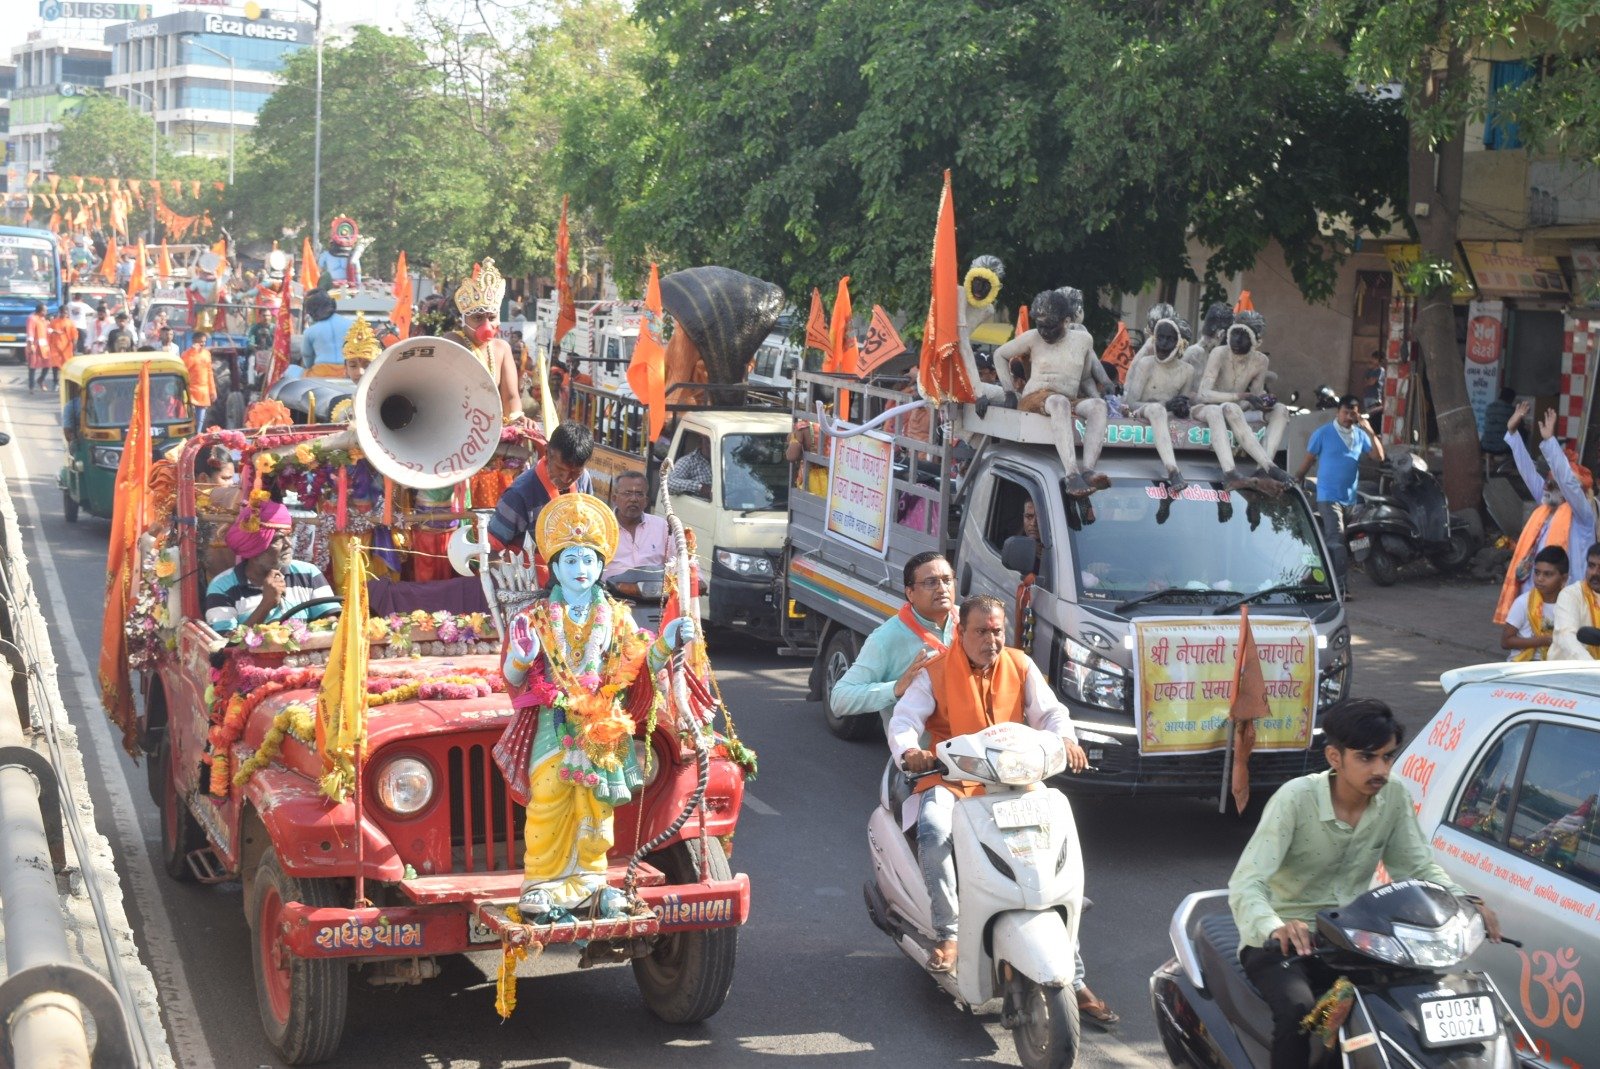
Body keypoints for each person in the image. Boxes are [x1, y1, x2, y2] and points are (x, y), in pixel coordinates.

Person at [1228, 697, 1500, 1069]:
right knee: (1301, 1014)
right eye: (1367, 758)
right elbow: (1247, 882)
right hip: (1286, 942)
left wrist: (1464, 901)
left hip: (1354, 937)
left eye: (1387, 757)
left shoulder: (1394, 796)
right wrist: (1275, 927)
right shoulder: (1295, 799)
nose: (1381, 769)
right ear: (1334, 758)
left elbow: (1417, 866)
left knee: (1408, 1001)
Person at [890, 595, 1111, 1019]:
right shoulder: (933, 672)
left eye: (997, 631)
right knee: (934, 831)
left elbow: (1053, 714)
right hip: (953, 782)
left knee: (1050, 854)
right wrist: (910, 753)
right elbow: (904, 722)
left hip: (1014, 781)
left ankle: (1075, 975)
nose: (991, 640)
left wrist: (1066, 740)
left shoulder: (1020, 664)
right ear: (961, 632)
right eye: (981, 631)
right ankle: (949, 932)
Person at [494, 493, 696, 919]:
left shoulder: (617, 617)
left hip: (602, 725)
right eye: (571, 561)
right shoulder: (534, 617)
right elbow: (512, 681)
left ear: (602, 566)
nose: (580, 570)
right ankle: (541, 886)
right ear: (555, 567)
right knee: (548, 797)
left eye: (588, 561)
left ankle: (590, 883)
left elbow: (639, 666)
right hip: (554, 722)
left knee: (596, 806)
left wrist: (668, 640)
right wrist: (521, 657)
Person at [992, 288, 1109, 496]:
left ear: (1066, 321)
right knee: (1058, 402)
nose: (1044, 332)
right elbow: (999, 355)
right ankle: (1072, 475)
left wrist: (1103, 389)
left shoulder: (1083, 340)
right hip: (1035, 398)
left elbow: (1084, 377)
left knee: (1099, 407)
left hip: (1068, 398)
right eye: (1040, 326)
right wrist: (1009, 391)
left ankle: (1089, 470)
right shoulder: (1032, 338)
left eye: (1050, 327)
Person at [833, 551, 957, 733]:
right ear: (910, 593)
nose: (942, 589)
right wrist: (896, 688)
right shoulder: (886, 638)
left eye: (947, 580)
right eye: (931, 582)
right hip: (919, 754)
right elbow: (839, 699)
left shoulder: (970, 623)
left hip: (970, 751)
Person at [1495, 403, 1596, 624]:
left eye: (1554, 481)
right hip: (1534, 587)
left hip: (1567, 595)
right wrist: (1512, 433)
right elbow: (1527, 471)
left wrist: (1550, 443)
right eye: (1549, 480)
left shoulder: (1582, 514)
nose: (1548, 485)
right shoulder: (1548, 504)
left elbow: (1567, 481)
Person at [203, 496, 338, 633]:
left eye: (289, 535)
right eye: (278, 539)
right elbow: (226, 645)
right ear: (254, 547)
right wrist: (267, 604)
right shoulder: (222, 586)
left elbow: (332, 623)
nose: (289, 544)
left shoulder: (308, 573)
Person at [1192, 312, 1294, 491]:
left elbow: (1256, 393)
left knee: (1281, 410)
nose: (1237, 340)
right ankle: (1247, 470)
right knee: (1231, 407)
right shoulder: (1219, 353)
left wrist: (1264, 401)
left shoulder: (1261, 360)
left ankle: (1262, 470)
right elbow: (1204, 394)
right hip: (1213, 407)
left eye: (1244, 336)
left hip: (1239, 408)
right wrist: (1241, 396)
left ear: (1257, 342)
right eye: (1235, 333)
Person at [1295, 394, 1383, 597]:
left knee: (1333, 542)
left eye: (1352, 413)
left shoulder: (1360, 435)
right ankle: (1341, 589)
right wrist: (1296, 478)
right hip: (1328, 496)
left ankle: (1314, 577)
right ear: (1338, 412)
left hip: (1350, 498)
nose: (1348, 417)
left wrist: (1369, 430)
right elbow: (1308, 460)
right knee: (1337, 541)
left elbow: (1378, 457)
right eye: (1345, 412)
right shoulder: (1323, 433)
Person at [487, 420, 596, 553]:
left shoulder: (584, 479)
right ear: (547, 453)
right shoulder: (519, 495)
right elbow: (492, 549)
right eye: (560, 469)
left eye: (575, 473)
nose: (566, 478)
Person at [1123, 315, 1197, 493]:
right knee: (1156, 409)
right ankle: (1172, 470)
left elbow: (1183, 405)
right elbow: (1131, 403)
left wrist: (1181, 407)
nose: (1163, 344)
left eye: (1169, 339)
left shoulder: (1188, 371)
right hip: (1143, 414)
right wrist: (1165, 404)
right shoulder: (1146, 364)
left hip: (1169, 422)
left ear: (1180, 343)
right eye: (1160, 338)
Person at [444, 258, 522, 421]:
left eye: (491, 317)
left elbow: (511, 397)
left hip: (491, 427)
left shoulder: (501, 348)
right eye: (478, 318)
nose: (486, 324)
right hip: (455, 422)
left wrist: (516, 420)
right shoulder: (452, 341)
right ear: (463, 320)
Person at [1501, 545, 1567, 661]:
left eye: (1548, 574)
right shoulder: (1523, 603)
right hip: (1523, 665)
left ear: (1563, 579)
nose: (1540, 579)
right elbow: (1506, 641)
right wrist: (1543, 641)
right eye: (1537, 573)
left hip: (1556, 666)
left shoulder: (1570, 605)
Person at [603, 471, 672, 579]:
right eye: (627, 493)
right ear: (615, 499)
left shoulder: (661, 527)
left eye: (639, 494)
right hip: (610, 592)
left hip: (654, 592)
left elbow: (679, 561)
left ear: (646, 501)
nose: (633, 499)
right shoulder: (601, 527)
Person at [1551, 542, 1600, 660]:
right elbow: (1566, 636)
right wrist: (1593, 668)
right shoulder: (1570, 595)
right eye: (1591, 565)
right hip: (1570, 673)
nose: (1594, 573)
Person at [300, 290, 351, 377]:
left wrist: (310, 367)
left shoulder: (310, 331)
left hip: (321, 372)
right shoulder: (351, 324)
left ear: (312, 311)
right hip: (347, 371)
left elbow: (307, 355)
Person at [183, 332, 217, 429]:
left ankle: (197, 436)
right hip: (190, 391)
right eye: (201, 342)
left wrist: (212, 391)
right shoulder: (186, 354)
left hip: (203, 392)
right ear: (194, 341)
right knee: (190, 418)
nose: (203, 344)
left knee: (200, 419)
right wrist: (194, 352)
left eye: (204, 342)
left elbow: (209, 373)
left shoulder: (207, 354)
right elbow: (185, 369)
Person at [44, 308, 76, 390]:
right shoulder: (54, 322)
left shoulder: (70, 323)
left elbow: (74, 335)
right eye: (62, 312)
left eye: (65, 312)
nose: (64, 314)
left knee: (67, 366)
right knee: (55, 366)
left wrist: (74, 346)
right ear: (60, 312)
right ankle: (55, 383)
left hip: (67, 348)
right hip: (55, 348)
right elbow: (48, 333)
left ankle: (67, 383)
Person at [1482, 387, 1518, 457]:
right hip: (1501, 447)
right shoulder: (1511, 410)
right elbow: (1519, 426)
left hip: (1485, 444)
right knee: (1522, 435)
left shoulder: (1490, 407)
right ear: (1511, 398)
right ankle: (1518, 463)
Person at [25, 303, 49, 392]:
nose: (47, 312)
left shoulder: (43, 319)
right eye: (45, 310)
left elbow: (45, 329)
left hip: (44, 347)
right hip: (34, 346)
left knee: (47, 365)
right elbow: (30, 331)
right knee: (32, 366)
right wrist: (31, 344)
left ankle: (41, 380)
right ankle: (31, 387)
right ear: (41, 311)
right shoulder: (32, 318)